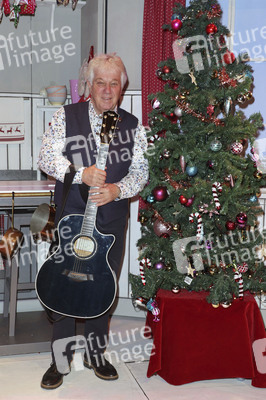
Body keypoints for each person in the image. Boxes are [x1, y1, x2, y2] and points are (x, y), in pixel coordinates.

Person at [37, 53, 149, 389]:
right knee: (64, 283)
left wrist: (118, 189)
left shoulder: (133, 127)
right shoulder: (65, 117)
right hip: (72, 217)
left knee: (103, 286)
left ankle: (96, 355)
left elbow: (141, 172)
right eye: (101, 81)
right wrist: (77, 172)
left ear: (122, 88)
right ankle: (60, 360)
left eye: (114, 83)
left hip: (112, 222)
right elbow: (45, 157)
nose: (107, 89)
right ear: (89, 84)